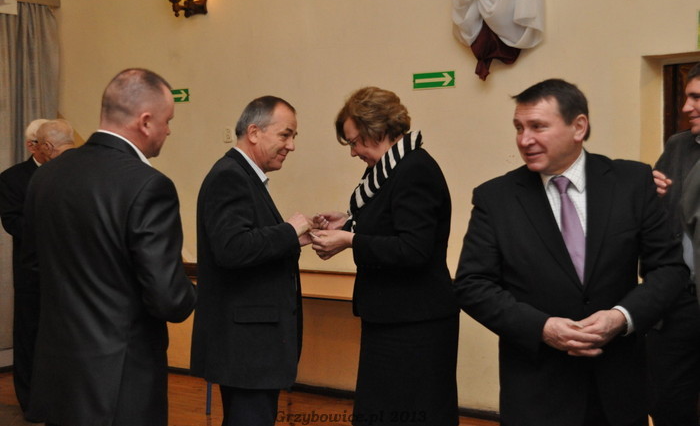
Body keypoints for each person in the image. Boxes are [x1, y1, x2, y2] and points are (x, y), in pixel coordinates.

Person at [454, 78, 689, 426]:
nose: (524, 140)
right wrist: (543, 327)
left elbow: (669, 269)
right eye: (519, 127)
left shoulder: (632, 182)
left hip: (618, 388)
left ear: (579, 127)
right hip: (538, 391)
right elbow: (472, 284)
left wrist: (621, 317)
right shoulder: (496, 198)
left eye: (537, 127)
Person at [22, 68, 197, 426]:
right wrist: (198, 292)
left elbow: (33, 267)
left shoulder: (45, 176)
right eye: (167, 121)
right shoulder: (149, 185)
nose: (168, 131)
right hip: (120, 380)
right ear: (145, 122)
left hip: (59, 373)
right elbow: (167, 298)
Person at [311, 87, 460, 426]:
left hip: (416, 323)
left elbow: (413, 249)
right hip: (394, 317)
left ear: (376, 129)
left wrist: (350, 239)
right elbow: (388, 222)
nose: (353, 152)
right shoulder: (389, 169)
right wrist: (347, 222)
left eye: (355, 142)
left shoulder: (414, 169)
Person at [190, 96, 310, 426]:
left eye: (293, 136)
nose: (291, 146)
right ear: (254, 132)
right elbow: (232, 248)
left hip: (250, 348)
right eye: (285, 135)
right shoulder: (230, 176)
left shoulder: (241, 175)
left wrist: (291, 240)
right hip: (246, 349)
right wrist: (288, 231)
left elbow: (245, 241)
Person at [646, 62, 700, 426]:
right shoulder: (678, 145)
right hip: (679, 300)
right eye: (686, 97)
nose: (686, 107)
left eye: (697, 98)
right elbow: (661, 214)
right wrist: (651, 194)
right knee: (667, 400)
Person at [0, 118, 49, 417]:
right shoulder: (12, 178)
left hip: (68, 273)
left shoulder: (69, 174)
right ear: (33, 146)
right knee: (30, 336)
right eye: (47, 144)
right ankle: (31, 402)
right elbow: (12, 222)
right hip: (32, 272)